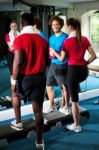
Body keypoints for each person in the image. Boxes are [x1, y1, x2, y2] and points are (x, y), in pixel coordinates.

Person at [50, 18, 96, 132]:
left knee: (74, 100)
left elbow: (61, 58)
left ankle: (76, 125)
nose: (66, 27)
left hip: (73, 71)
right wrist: (84, 63)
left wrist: (53, 51)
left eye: (66, 26)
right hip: (84, 71)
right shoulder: (84, 39)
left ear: (70, 27)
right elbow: (94, 56)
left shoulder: (67, 41)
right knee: (73, 91)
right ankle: (69, 111)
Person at [11, 13, 49, 149]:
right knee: (38, 111)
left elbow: (18, 62)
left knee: (15, 95)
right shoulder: (43, 40)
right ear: (34, 23)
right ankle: (39, 142)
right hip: (40, 78)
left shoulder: (19, 39)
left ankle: (18, 122)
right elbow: (47, 60)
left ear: (22, 24)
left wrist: (13, 82)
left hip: (25, 78)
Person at [44, 16, 70, 115]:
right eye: (53, 24)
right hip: (53, 64)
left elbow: (65, 54)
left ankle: (65, 106)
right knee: (48, 85)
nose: (55, 26)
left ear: (61, 25)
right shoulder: (51, 38)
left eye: (57, 24)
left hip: (63, 65)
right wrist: (51, 54)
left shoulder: (65, 37)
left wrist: (54, 52)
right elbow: (51, 53)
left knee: (64, 87)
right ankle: (52, 106)